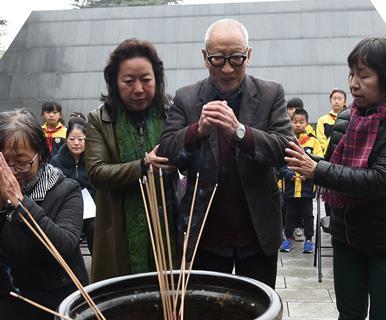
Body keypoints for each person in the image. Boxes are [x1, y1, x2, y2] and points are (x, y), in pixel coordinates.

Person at [284, 37, 386, 320]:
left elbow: (381, 180)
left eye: (364, 75)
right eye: (351, 74)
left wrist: (316, 170)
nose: (354, 84)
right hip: (347, 234)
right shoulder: (346, 118)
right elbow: (335, 165)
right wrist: (302, 160)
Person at [158, 19, 292, 289]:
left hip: (257, 232)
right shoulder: (186, 97)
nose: (228, 69)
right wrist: (197, 131)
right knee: (207, 310)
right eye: (218, 59)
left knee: (258, 308)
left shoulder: (271, 93)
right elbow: (167, 152)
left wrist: (240, 132)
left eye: (237, 59)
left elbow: (284, 150)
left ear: (249, 55)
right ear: (204, 57)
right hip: (206, 233)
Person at [0, 111, 87, 320]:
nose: (11, 172)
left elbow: (64, 247)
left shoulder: (66, 189)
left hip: (60, 306)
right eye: (2, 162)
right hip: (8, 308)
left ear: (41, 155)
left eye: (21, 163)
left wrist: (21, 204)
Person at [85, 39, 176, 282]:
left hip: (167, 227)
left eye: (146, 79)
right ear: (114, 82)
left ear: (157, 79)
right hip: (119, 230)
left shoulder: (170, 114)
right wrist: (143, 166)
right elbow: (96, 172)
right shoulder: (99, 120)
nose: (138, 89)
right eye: (128, 81)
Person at [280, 108, 323, 254]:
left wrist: (309, 174)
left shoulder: (313, 141)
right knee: (289, 214)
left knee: (308, 215)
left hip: (306, 187)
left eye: (301, 122)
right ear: (290, 123)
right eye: (295, 122)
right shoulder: (286, 141)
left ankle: (309, 240)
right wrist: (289, 174)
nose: (298, 125)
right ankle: (288, 238)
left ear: (307, 123)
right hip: (291, 187)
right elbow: (281, 162)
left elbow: (319, 161)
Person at [54, 117, 95, 252]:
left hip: (90, 208)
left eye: (81, 139)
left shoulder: (94, 160)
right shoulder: (56, 161)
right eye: (72, 139)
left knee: (95, 227)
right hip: (66, 208)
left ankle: (98, 263)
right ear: (66, 139)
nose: (76, 143)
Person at [316, 88, 347, 155]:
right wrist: (330, 150)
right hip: (328, 154)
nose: (336, 101)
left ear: (345, 102)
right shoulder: (322, 120)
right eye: (334, 98)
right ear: (330, 100)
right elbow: (321, 139)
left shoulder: (349, 118)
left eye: (339, 99)